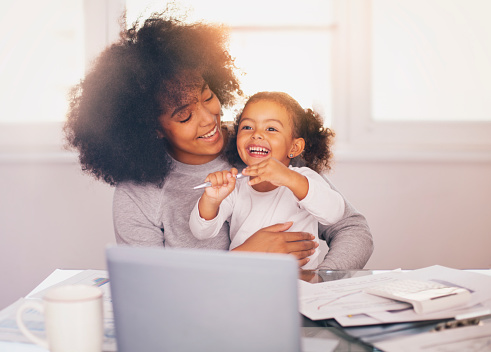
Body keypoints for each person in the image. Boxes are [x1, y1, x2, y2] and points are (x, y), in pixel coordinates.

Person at [64, 11, 373, 269]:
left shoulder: (261, 147)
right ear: (151, 127)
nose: (208, 118)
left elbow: (351, 228)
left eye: (208, 96)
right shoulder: (138, 195)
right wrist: (245, 257)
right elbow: (151, 288)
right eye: (184, 116)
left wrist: (321, 282)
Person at [189, 92, 345, 269]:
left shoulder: (303, 179)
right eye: (247, 127)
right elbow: (201, 231)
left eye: (271, 129)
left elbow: (335, 213)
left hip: (298, 283)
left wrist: (289, 179)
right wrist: (211, 200)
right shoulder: (235, 186)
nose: (256, 135)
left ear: (294, 147)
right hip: (245, 281)